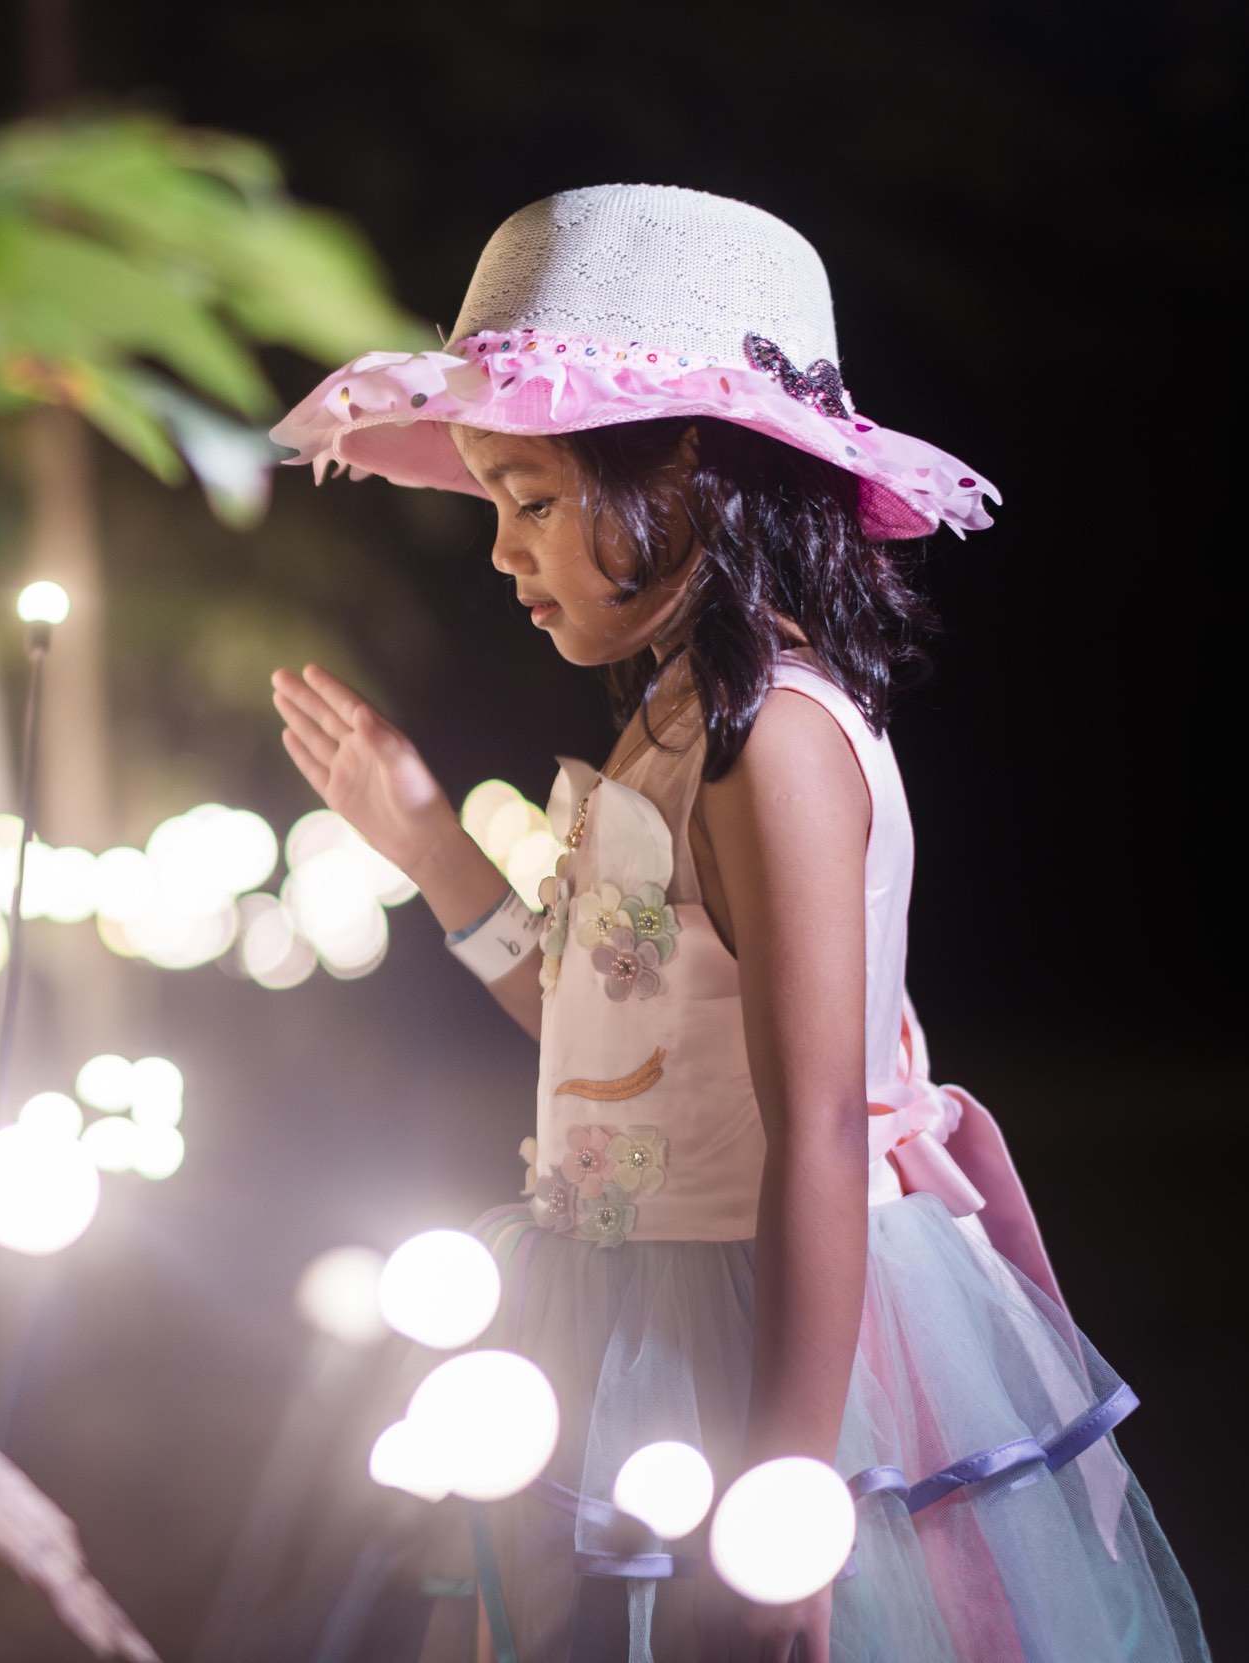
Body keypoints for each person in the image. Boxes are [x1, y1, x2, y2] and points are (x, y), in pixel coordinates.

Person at [266, 185, 1207, 1662]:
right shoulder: (673, 728)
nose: (505, 557)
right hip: (622, 1296)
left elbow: (819, 1125)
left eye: (531, 503)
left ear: (687, 472)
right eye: (496, 506)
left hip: (755, 1316)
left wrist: (787, 1497)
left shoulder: (775, 742)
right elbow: (612, 1039)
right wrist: (428, 845)